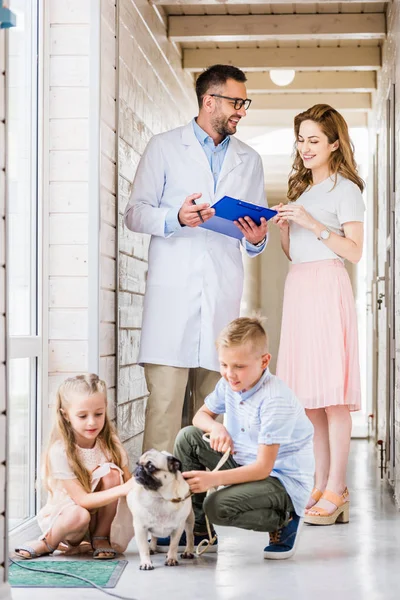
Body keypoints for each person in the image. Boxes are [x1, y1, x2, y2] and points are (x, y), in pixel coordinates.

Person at [124, 64, 268, 454]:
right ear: (210, 101)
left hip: (221, 297)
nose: (241, 110)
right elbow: (135, 212)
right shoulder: (164, 147)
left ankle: (203, 511)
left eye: (244, 103)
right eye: (235, 102)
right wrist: (175, 217)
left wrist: (256, 241)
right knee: (165, 416)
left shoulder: (249, 160)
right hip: (172, 300)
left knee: (214, 421)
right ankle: (157, 513)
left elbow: (251, 230)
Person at [273, 104, 365, 526]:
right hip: (300, 288)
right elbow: (297, 255)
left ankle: (337, 488)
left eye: (314, 140)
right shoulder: (303, 192)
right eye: (301, 139)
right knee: (310, 401)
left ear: (333, 144)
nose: (305, 147)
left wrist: (311, 223)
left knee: (332, 397)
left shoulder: (345, 189)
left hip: (329, 288)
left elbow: (354, 251)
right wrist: (287, 233)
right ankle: (321, 482)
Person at [172, 317, 314, 559]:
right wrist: (216, 429)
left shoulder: (274, 400)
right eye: (224, 364)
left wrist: (212, 479)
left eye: (239, 366)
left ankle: (285, 518)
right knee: (188, 437)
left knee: (216, 506)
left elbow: (262, 468)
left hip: (279, 480)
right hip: (243, 461)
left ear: (264, 361)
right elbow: (201, 416)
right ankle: (198, 530)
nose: (230, 374)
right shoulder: (230, 383)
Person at [15, 374, 134, 560]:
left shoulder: (110, 444)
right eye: (82, 416)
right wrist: (124, 489)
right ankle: (49, 541)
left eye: (98, 414)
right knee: (80, 514)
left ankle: (100, 537)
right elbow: (82, 500)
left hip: (98, 520)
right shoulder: (60, 451)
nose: (92, 422)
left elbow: (129, 481)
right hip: (69, 519)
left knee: (112, 474)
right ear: (66, 415)